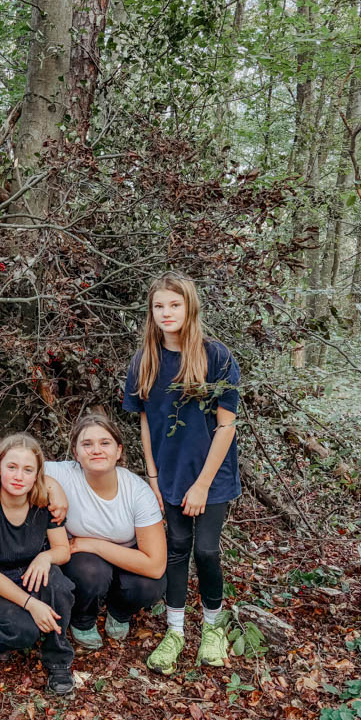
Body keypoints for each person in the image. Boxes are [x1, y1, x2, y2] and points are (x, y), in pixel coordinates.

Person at [124, 272, 240, 675]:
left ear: (190, 307)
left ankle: (213, 628)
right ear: (151, 311)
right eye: (159, 306)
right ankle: (174, 632)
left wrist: (203, 485)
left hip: (213, 477)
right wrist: (152, 480)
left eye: (175, 305)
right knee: (176, 548)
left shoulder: (218, 357)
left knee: (205, 550)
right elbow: (144, 423)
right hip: (168, 477)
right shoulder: (145, 361)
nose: (167, 313)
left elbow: (226, 425)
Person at [44, 414, 166, 651]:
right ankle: (83, 619)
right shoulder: (63, 474)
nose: (96, 450)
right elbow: (14, 465)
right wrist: (52, 487)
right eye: (87, 444)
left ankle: (119, 611)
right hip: (85, 563)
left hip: (125, 555)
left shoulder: (138, 492)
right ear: (76, 453)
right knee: (89, 572)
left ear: (118, 451)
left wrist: (94, 544)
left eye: (105, 443)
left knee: (150, 585)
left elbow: (156, 565)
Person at [0, 433, 75, 695]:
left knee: (59, 585)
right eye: (12, 467)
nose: (19, 476)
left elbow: (63, 550)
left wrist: (45, 556)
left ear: (37, 475)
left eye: (28, 469)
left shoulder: (44, 504)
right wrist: (32, 605)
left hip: (32, 571)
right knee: (23, 631)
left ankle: (58, 660)